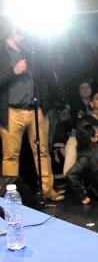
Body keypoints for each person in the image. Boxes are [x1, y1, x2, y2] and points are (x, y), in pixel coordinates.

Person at [0, 21, 63, 201]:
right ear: (13, 31)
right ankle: (8, 193)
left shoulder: (29, 51)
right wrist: (14, 71)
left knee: (42, 151)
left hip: (34, 109)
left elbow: (44, 76)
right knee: (11, 155)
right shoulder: (2, 51)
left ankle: (47, 189)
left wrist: (44, 103)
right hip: (11, 110)